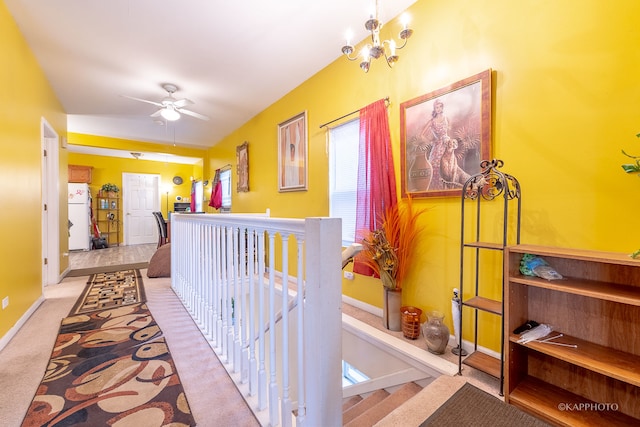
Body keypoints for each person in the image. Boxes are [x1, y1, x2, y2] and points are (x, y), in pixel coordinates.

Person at [418, 99, 450, 190]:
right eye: (437, 107)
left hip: (447, 144)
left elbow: (447, 132)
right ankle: (436, 188)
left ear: (442, 107)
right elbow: (422, 135)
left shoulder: (446, 118)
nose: (439, 109)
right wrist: (431, 142)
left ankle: (447, 189)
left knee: (447, 167)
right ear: (434, 109)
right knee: (435, 166)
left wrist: (448, 141)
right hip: (437, 146)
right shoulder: (432, 121)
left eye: (440, 106)